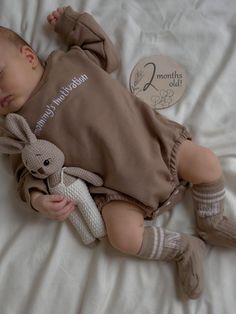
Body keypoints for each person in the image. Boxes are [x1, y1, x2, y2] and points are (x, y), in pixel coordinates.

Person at [0, 6, 235, 299]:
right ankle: (183, 248)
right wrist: (38, 200)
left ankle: (211, 220)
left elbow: (104, 51)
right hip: (114, 187)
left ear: (28, 56)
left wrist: (69, 23)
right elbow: (24, 171)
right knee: (122, 238)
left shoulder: (69, 61)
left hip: (156, 145)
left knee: (206, 163)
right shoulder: (17, 127)